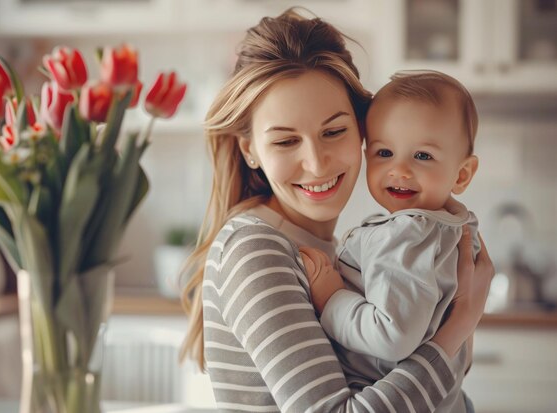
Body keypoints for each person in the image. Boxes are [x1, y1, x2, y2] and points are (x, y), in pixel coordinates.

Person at [179, 8, 494, 412]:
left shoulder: (350, 248)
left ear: (363, 129)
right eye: (285, 141)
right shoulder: (256, 252)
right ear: (250, 150)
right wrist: (460, 325)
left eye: (333, 131)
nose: (317, 162)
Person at [300, 70, 481, 413]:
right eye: (384, 153)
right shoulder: (453, 227)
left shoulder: (407, 235)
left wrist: (331, 298)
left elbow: (391, 335)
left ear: (462, 174)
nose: (399, 170)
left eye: (422, 156)